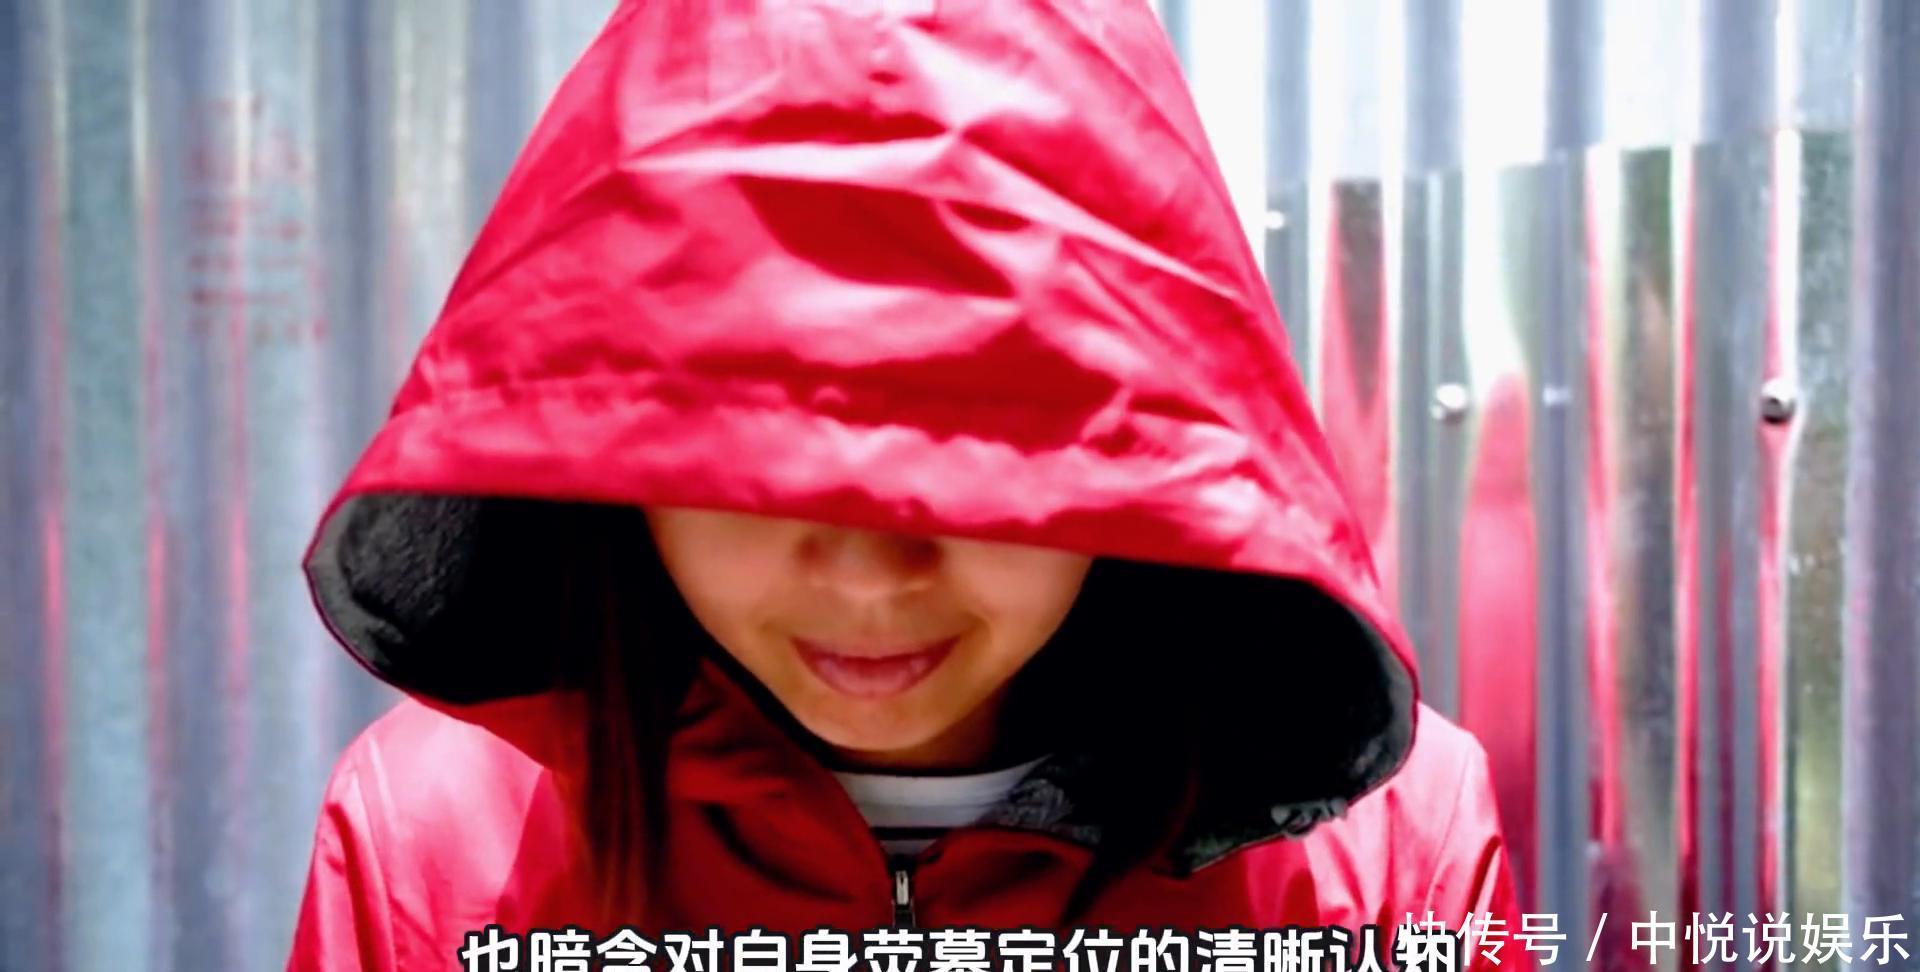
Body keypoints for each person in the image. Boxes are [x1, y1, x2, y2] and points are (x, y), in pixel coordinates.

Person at [288, 0, 1526, 968]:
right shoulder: (432, 846)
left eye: (982, 450)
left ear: (1141, 429)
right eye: (756, 452)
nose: (868, 574)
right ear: (615, 443)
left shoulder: (1384, 861)